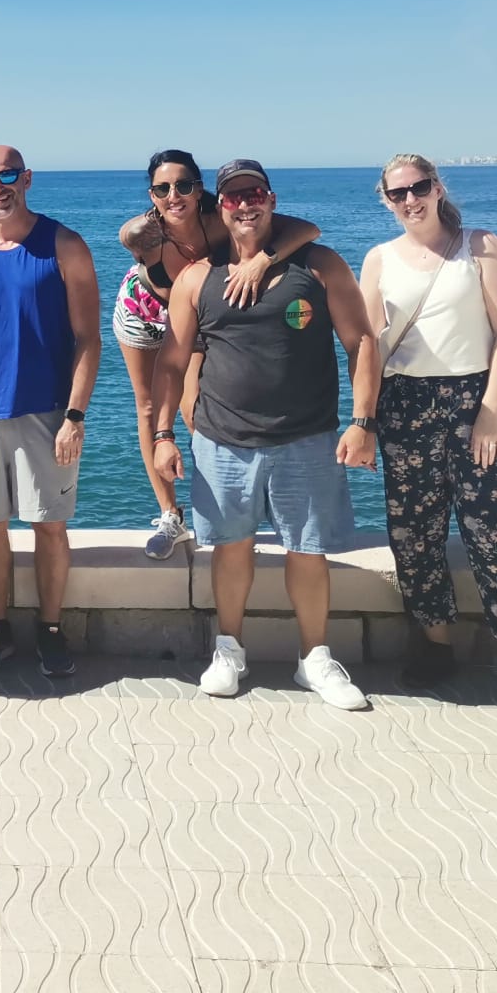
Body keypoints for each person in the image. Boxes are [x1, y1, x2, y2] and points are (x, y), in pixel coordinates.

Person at [152, 160, 377, 711]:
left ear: (271, 199)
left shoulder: (318, 266)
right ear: (219, 209)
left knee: (309, 550)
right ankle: (228, 650)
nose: (244, 205)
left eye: (253, 195)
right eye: (232, 199)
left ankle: (315, 659)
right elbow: (172, 360)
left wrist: (363, 421)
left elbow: (362, 343)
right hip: (222, 439)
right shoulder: (195, 277)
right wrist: (163, 433)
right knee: (231, 549)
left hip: (308, 437)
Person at [359, 154, 497, 721]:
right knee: (415, 536)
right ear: (385, 200)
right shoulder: (378, 260)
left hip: (475, 402)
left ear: (438, 188)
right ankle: (438, 648)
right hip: (405, 406)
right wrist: (364, 419)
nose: (410, 199)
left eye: (420, 187)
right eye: (398, 193)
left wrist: (490, 409)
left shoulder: (481, 245)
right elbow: (368, 347)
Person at [115, 149, 321, 560]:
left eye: (184, 185)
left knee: (195, 411)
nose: (174, 195)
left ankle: (229, 510)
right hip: (144, 312)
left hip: (197, 317)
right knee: (150, 407)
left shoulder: (220, 218)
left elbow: (308, 230)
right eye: (162, 188)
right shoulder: (142, 233)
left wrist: (263, 261)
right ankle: (170, 514)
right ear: (152, 194)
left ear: (199, 187)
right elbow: (136, 254)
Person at [0, 145, 101, 678]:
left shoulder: (64, 245)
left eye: (8, 175)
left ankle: (51, 629)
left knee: (49, 527)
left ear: (27, 178)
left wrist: (75, 415)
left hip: (48, 412)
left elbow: (89, 338)